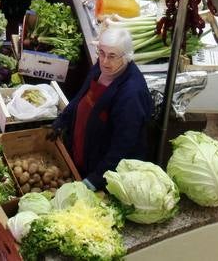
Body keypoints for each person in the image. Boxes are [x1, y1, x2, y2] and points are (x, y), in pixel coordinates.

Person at [52, 28, 152, 190]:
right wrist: (62, 121)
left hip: (103, 171)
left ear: (127, 57)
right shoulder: (101, 68)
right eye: (102, 53)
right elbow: (80, 97)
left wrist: (96, 179)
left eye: (112, 56)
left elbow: (124, 145)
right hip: (83, 154)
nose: (105, 61)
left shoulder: (131, 94)